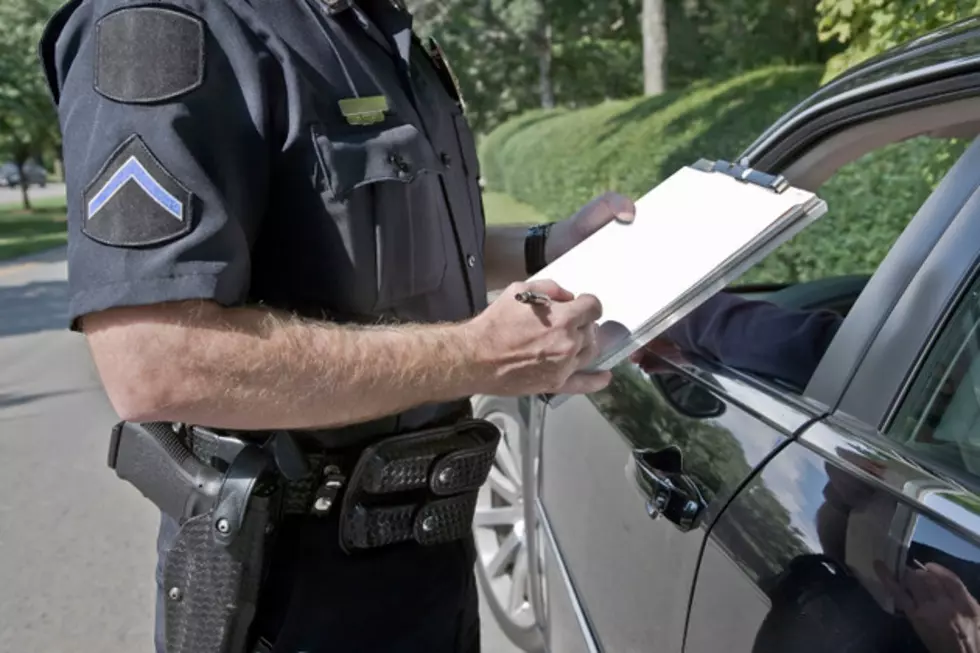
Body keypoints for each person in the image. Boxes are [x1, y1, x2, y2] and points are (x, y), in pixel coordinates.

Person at [38, 1, 635, 651]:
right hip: (292, 592)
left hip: (433, 571)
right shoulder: (165, 24)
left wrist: (546, 247)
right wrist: (478, 356)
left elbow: (390, 244)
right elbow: (155, 360)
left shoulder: (373, 30)